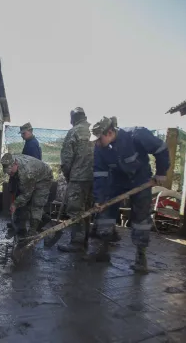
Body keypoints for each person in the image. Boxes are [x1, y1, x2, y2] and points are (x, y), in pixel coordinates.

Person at [88, 116, 170, 272]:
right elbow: (100, 173)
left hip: (140, 180)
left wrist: (161, 172)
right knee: (105, 212)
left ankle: (141, 257)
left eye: (99, 139)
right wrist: (99, 198)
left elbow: (160, 149)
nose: (96, 143)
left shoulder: (137, 135)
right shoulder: (100, 149)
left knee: (140, 217)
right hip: (116, 181)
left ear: (110, 132)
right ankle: (103, 250)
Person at [57, 107, 94, 253]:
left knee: (75, 210)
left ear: (73, 118)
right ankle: (84, 240)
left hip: (78, 178)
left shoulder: (73, 132)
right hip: (93, 178)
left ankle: (77, 242)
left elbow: (66, 159)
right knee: (87, 209)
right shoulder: (93, 131)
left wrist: (68, 176)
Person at [1, 153, 53, 237]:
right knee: (25, 202)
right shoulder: (11, 158)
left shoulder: (26, 173)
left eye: (10, 170)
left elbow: (26, 194)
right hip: (35, 174)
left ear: (15, 164)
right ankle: (44, 218)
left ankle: (32, 232)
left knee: (37, 204)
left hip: (44, 179)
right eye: (7, 171)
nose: (9, 173)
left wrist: (15, 204)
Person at [6, 122, 42, 229]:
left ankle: (20, 226)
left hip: (28, 177)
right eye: (21, 133)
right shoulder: (29, 142)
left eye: (24, 133)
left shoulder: (32, 144)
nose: (22, 135)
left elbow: (33, 163)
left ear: (30, 131)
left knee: (23, 201)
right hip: (26, 176)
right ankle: (17, 222)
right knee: (22, 200)